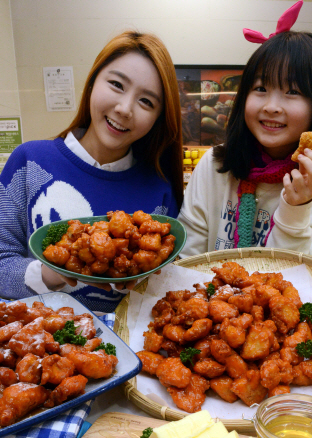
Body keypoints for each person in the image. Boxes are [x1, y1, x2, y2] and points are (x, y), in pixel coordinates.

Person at [0, 30, 183, 313]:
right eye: (116, 84)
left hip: (124, 351)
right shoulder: (30, 161)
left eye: (146, 101)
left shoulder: (159, 187)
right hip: (40, 343)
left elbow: (160, 291)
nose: (124, 109)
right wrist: (55, 272)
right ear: (92, 82)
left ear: (158, 119)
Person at [178, 2, 312, 260]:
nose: (271, 107)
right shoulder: (214, 166)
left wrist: (297, 207)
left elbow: (295, 277)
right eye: (260, 88)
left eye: (293, 92)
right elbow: (187, 259)